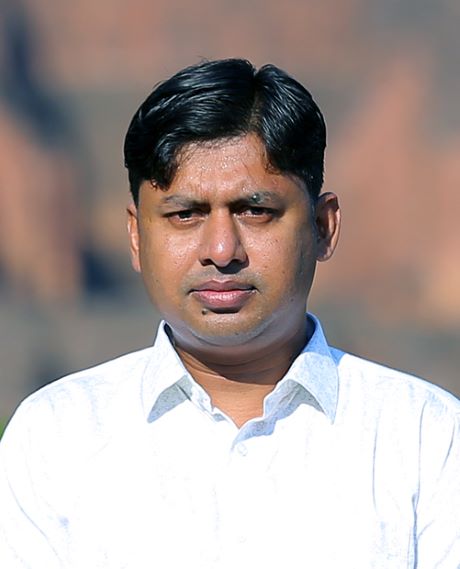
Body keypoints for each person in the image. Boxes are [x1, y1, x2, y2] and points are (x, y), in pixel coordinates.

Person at [1, 58, 459, 568]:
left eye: (255, 211)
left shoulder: (425, 437)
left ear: (322, 226)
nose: (221, 250)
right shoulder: (57, 437)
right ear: (136, 235)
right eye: (185, 215)